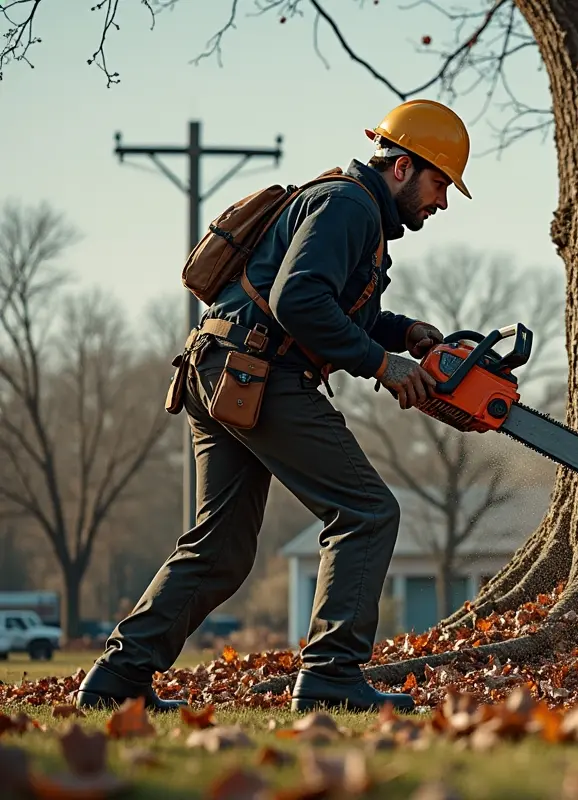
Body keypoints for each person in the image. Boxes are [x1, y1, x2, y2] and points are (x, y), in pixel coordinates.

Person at [75, 99, 473, 713]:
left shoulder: (348, 208)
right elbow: (299, 302)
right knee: (366, 512)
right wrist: (381, 364)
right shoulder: (348, 207)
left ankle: (115, 680)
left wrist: (403, 333)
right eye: (440, 182)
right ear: (401, 166)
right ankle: (331, 676)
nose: (442, 201)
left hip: (223, 365)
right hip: (258, 370)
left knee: (220, 548)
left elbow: (328, 306)